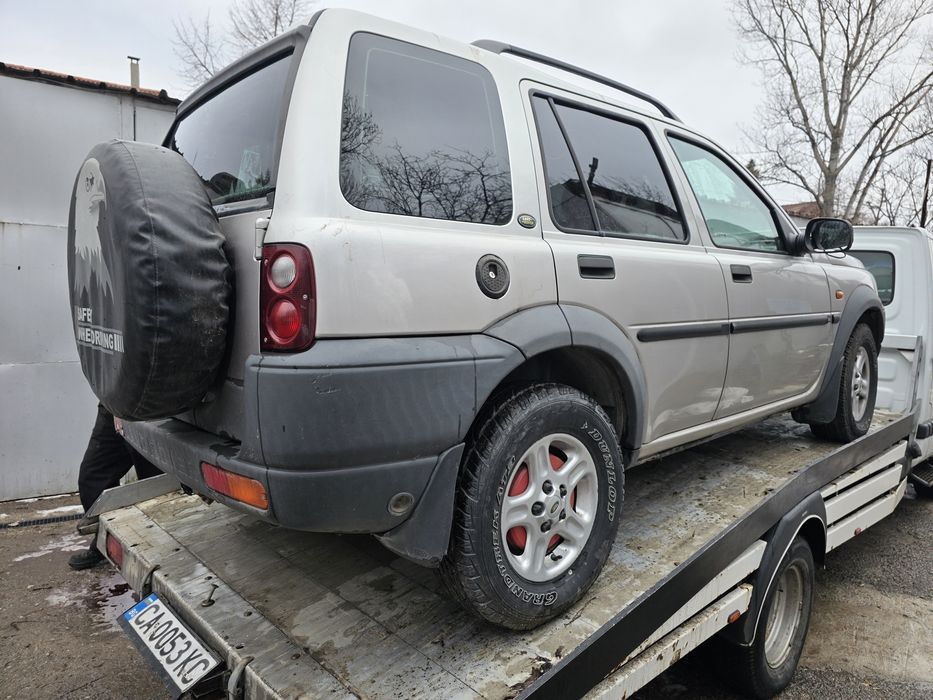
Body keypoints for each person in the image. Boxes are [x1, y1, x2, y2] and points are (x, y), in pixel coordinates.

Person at [68, 403, 162, 570]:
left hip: (153, 409)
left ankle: (160, 552)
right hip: (113, 404)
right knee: (92, 475)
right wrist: (116, 403)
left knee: (155, 487)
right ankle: (104, 543)